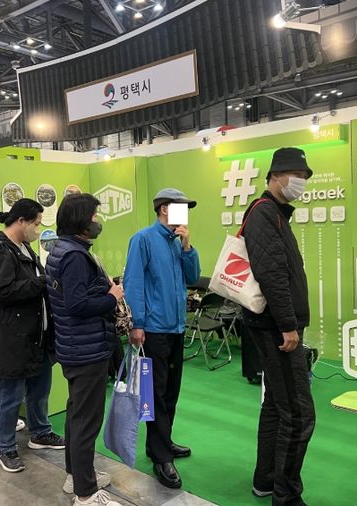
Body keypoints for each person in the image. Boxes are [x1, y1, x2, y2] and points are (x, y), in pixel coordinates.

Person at [241, 147, 315, 506]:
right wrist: (288, 325)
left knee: (276, 404)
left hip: (273, 324)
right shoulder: (264, 213)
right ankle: (286, 496)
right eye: (294, 175)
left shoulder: (275, 214)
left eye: (304, 177)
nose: (300, 182)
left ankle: (267, 480)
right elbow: (272, 273)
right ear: (274, 176)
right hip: (275, 327)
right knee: (299, 414)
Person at [0, 198, 64, 473]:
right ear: (21, 221)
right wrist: (41, 282)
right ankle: (5, 448)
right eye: (36, 223)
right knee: (9, 395)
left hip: (35, 334)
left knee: (40, 388)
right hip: (11, 336)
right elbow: (3, 291)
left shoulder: (24, 247)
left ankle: (40, 432)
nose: (38, 229)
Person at [46, 193, 123, 506]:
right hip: (86, 348)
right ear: (81, 220)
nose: (97, 221)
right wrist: (112, 297)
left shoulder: (61, 250)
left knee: (76, 415)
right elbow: (77, 306)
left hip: (75, 345)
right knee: (85, 422)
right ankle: (86, 493)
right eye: (94, 215)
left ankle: (76, 475)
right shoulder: (75, 256)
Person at [123, 188, 201, 489]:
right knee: (153, 394)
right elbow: (133, 283)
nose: (186, 213)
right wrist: (137, 324)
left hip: (176, 327)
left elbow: (192, 277)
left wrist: (187, 246)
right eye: (182, 207)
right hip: (153, 330)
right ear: (165, 208)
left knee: (170, 391)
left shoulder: (176, 241)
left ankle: (162, 442)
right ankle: (160, 456)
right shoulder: (143, 239)